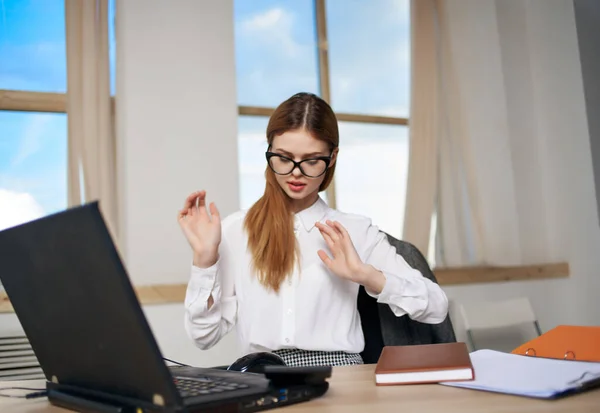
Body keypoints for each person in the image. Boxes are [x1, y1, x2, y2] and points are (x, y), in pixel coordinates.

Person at [178, 92, 449, 367]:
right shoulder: (236, 230)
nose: (295, 172)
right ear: (269, 151)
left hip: (343, 379)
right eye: (283, 158)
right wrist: (204, 259)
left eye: (311, 160)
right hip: (262, 379)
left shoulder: (355, 230)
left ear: (332, 158)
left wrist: (365, 275)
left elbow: (436, 306)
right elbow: (203, 337)